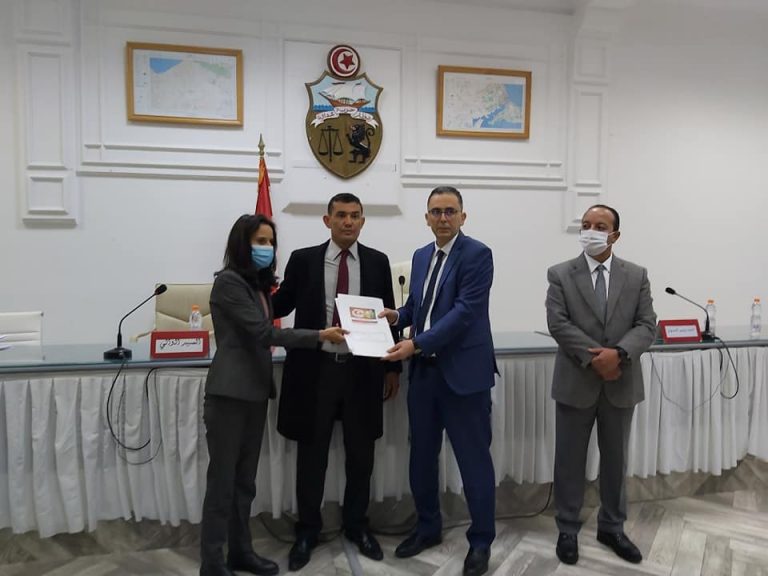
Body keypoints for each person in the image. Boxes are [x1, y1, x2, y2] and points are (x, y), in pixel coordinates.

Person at [200, 214, 346, 576]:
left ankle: (240, 552)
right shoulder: (229, 283)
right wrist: (318, 336)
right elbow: (263, 333)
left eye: (270, 242)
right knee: (222, 484)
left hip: (253, 394)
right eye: (260, 242)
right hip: (229, 395)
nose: (267, 248)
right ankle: (212, 562)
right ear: (242, 244)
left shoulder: (258, 285)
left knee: (244, 484)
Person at [272, 193, 401, 571]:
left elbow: (388, 316)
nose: (348, 222)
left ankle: (357, 526)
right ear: (327, 221)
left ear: (363, 221)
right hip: (315, 373)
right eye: (341, 215)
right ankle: (308, 530)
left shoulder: (377, 262)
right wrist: (251, 291)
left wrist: (393, 369)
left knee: (361, 456)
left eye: (355, 215)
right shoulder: (303, 260)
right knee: (311, 458)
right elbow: (282, 305)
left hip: (362, 373)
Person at [380, 186, 496, 576]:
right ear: (426, 217)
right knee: (422, 458)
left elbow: (464, 312)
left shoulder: (477, 254)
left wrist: (415, 343)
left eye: (450, 211)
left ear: (463, 216)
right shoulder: (421, 255)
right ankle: (428, 528)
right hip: (425, 376)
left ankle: (481, 542)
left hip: (464, 376)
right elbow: (420, 306)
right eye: (436, 211)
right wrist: (396, 316)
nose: (443, 218)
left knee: (474, 462)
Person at [545, 204, 656, 566]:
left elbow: (647, 325)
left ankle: (612, 527)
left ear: (615, 235)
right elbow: (558, 323)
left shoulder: (636, 275)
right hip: (576, 380)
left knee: (616, 460)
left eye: (600, 226)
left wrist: (618, 355)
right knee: (569, 460)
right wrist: (596, 359)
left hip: (621, 382)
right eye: (586, 225)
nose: (591, 231)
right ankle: (567, 528)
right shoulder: (560, 274)